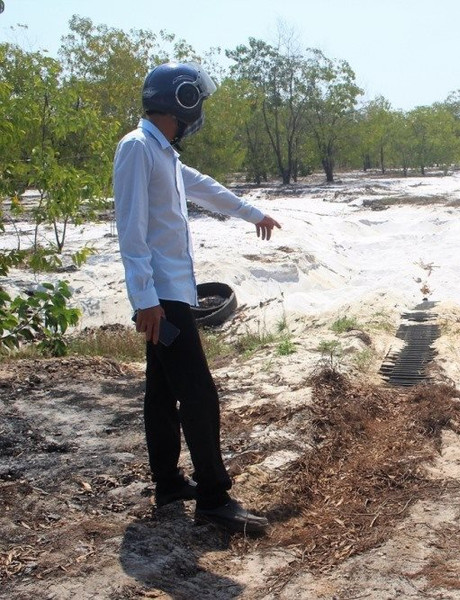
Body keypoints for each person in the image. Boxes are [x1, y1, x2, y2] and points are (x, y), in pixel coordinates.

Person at [113, 61, 280, 535]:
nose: (199, 110)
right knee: (200, 394)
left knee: (162, 394)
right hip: (160, 299)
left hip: (171, 294)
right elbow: (131, 232)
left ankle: (168, 484)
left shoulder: (162, 153)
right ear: (181, 100)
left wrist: (252, 213)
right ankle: (213, 497)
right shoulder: (137, 149)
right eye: (197, 100)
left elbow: (203, 187)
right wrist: (145, 300)